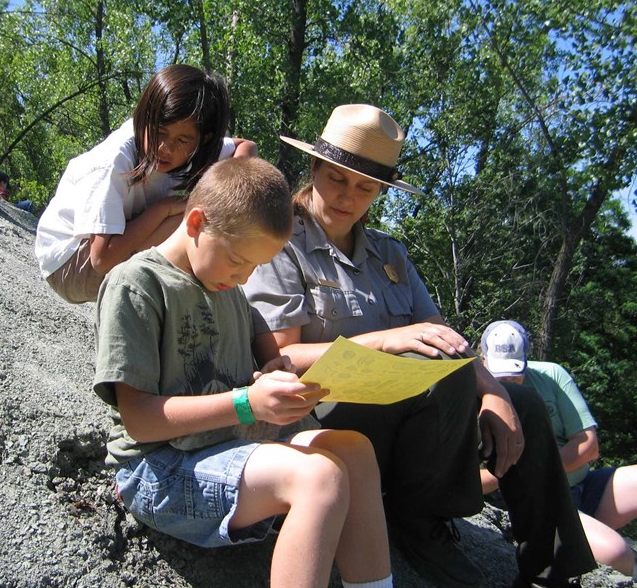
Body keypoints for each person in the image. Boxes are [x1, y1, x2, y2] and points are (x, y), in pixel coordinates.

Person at [242, 104, 597, 588]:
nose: (348, 196)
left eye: (365, 187)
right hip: (324, 417)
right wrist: (387, 340)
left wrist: (494, 392)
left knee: (527, 404)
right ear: (314, 169)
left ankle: (553, 570)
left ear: (381, 191)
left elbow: (442, 336)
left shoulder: (390, 253)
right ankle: (418, 522)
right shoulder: (282, 242)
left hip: (410, 420)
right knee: (441, 376)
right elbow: (281, 357)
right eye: (337, 179)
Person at [93, 156, 394, 588]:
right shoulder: (138, 285)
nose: (244, 276)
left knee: (355, 451)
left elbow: (268, 354)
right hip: (158, 469)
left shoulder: (230, 290)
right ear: (196, 222)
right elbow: (140, 422)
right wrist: (247, 404)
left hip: (229, 445)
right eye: (238, 260)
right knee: (319, 478)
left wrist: (278, 372)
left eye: (256, 266)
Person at [35, 63, 258, 304]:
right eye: (159, 132)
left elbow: (245, 146)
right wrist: (163, 209)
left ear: (204, 140)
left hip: (105, 250)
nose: (165, 148)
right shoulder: (114, 161)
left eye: (183, 140)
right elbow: (101, 259)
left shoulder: (190, 144)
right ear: (145, 118)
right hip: (70, 265)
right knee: (190, 222)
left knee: (203, 213)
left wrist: (225, 188)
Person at [480, 320, 637, 580]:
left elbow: (588, 445)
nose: (508, 382)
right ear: (483, 361)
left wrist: (536, 466)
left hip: (584, 486)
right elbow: (471, 479)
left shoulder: (551, 376)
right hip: (545, 506)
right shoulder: (472, 395)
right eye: (500, 376)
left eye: (514, 374)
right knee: (617, 553)